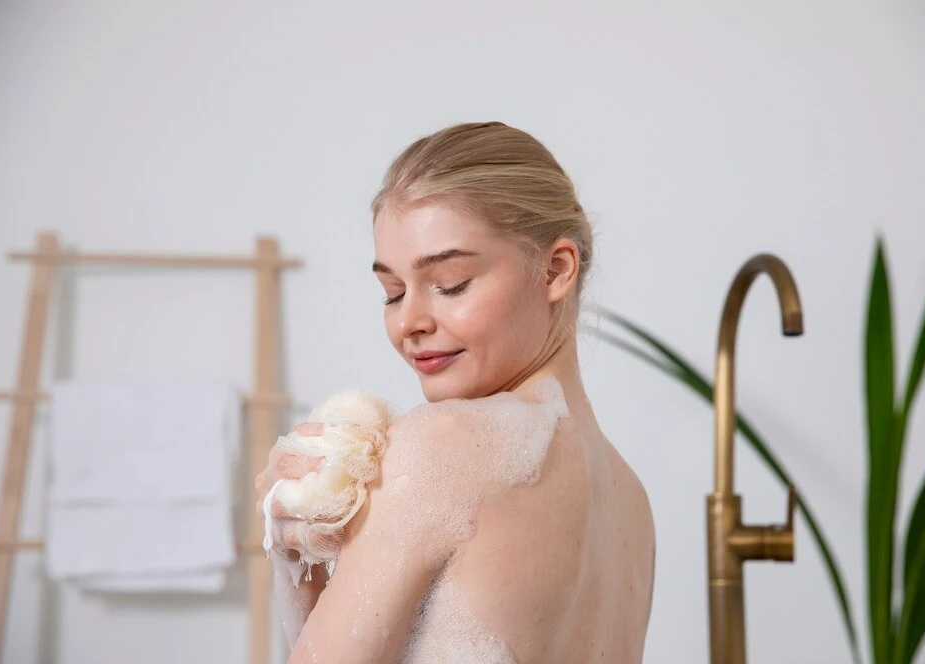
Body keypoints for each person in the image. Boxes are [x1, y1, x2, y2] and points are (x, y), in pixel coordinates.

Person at [255, 121, 656, 663]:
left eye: (450, 284)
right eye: (393, 292)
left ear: (556, 270)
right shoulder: (631, 502)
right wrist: (300, 550)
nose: (410, 322)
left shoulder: (441, 449)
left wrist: (286, 551)